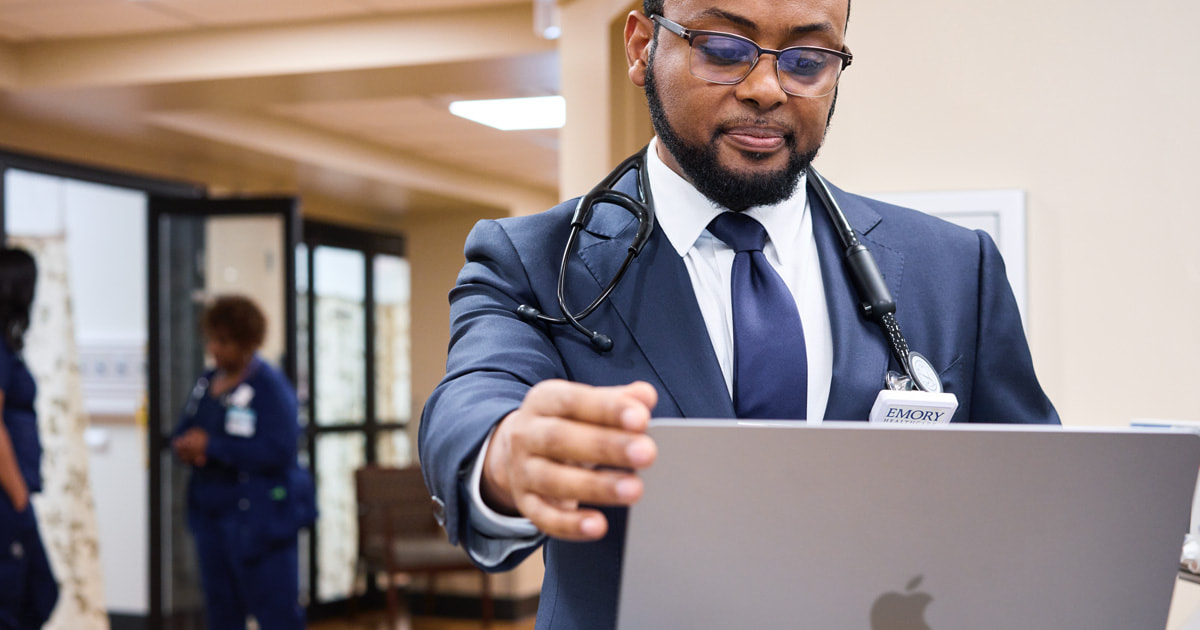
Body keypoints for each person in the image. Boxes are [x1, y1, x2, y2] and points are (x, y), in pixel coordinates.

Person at [419, 0, 1060, 628]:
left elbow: (1035, 495)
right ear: (643, 46)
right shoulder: (535, 261)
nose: (765, 89)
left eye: (807, 60)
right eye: (724, 50)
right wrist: (502, 454)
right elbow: (475, 398)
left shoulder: (951, 267)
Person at [172, 295, 314, 630]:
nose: (214, 350)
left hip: (260, 522)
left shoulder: (270, 388)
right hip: (212, 517)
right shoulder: (205, 384)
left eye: (223, 341)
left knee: (277, 613)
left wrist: (215, 446)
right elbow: (186, 427)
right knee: (222, 612)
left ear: (248, 341)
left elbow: (280, 449)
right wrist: (186, 445)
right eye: (211, 340)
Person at [0, 247, 58, 630]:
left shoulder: (8, 346)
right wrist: (19, 495)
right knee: (20, 600)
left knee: (40, 593)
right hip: (6, 498)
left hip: (13, 497)